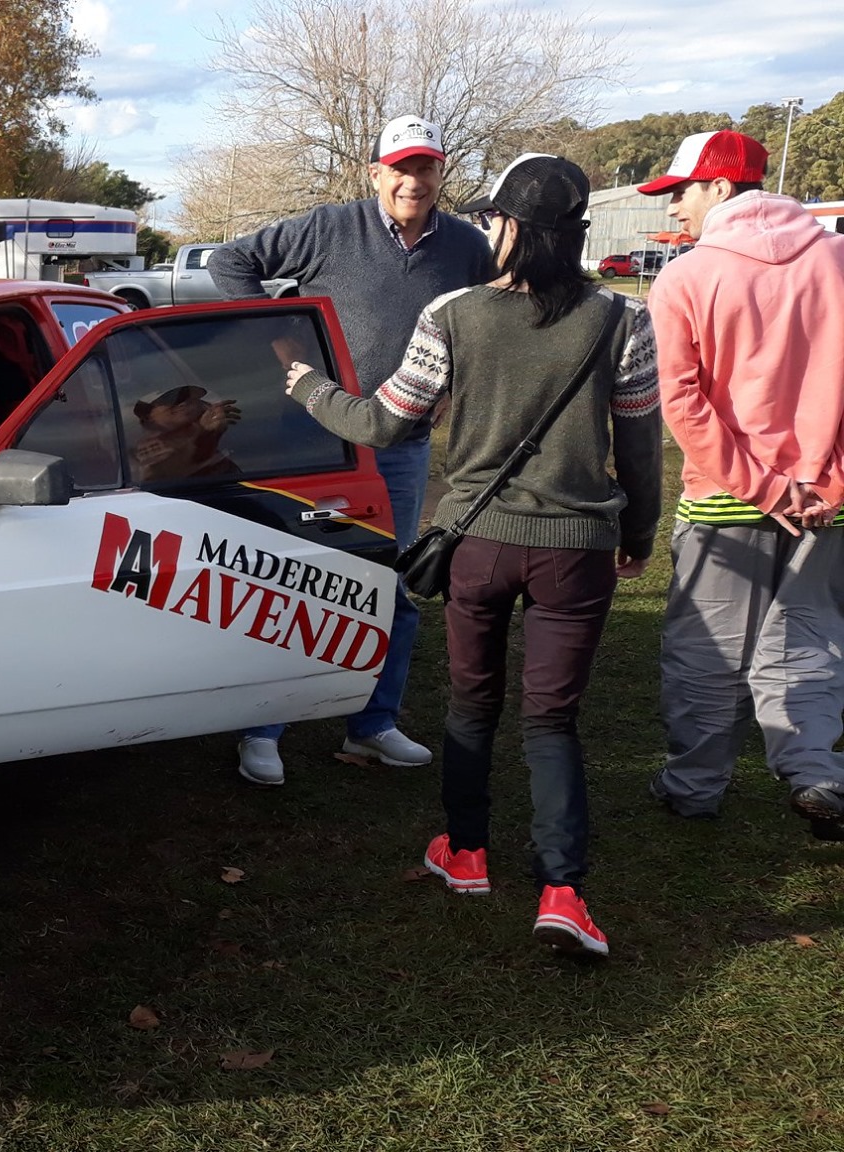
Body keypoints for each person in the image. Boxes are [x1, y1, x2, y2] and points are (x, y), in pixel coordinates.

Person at [282, 153, 660, 957]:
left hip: (476, 544)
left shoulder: (452, 313)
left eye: (493, 219)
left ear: (509, 227)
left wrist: (310, 388)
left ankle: (465, 853)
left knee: (471, 705)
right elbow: (640, 447)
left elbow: (385, 423)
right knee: (552, 718)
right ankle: (563, 892)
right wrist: (637, 537)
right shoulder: (624, 319)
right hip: (577, 553)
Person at [209, 114, 494, 786]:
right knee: (293, 580)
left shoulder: (467, 246)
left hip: (400, 444)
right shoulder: (329, 227)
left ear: (441, 173)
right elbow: (230, 263)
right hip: (311, 436)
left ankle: (372, 724)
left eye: (425, 168)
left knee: (389, 584)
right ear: (375, 174)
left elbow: (485, 319)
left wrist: (457, 385)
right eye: (400, 168)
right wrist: (282, 340)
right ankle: (263, 728)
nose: (412, 181)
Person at [635, 130, 844, 839]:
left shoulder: (685, 277)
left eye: (681, 191)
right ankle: (814, 770)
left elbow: (682, 403)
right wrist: (827, 481)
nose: (676, 207)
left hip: (726, 496)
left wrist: (763, 486)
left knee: (709, 650)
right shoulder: (838, 260)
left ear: (721, 187)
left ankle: (693, 786)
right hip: (829, 500)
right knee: (813, 639)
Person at [129, 386, 241, 482]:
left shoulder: (218, 431)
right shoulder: (148, 448)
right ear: (148, 417)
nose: (183, 403)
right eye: (169, 401)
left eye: (188, 398)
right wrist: (203, 434)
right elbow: (163, 477)